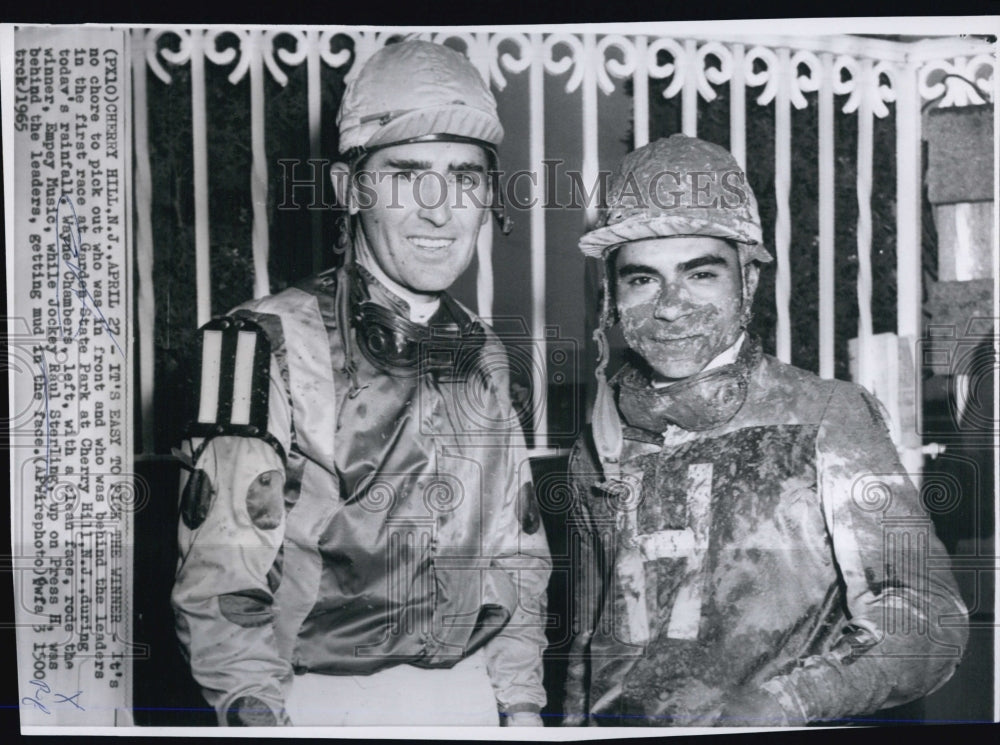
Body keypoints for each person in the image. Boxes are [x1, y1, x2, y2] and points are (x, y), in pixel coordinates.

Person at [171, 40, 550, 727]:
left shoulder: (487, 352)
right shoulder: (253, 342)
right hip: (315, 703)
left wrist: (521, 703)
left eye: (464, 177)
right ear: (350, 190)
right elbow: (221, 581)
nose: (440, 210)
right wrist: (255, 715)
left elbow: (517, 556)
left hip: (471, 700)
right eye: (407, 175)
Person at [563, 134, 969, 726]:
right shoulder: (599, 439)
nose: (671, 306)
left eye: (700, 274)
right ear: (613, 294)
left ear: (747, 283)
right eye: (642, 280)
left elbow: (927, 617)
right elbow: (587, 639)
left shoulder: (825, 415)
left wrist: (791, 700)